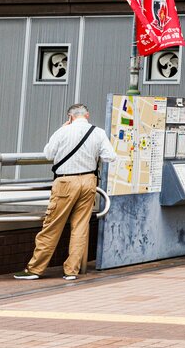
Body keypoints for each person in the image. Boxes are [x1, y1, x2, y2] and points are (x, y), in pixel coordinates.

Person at [14, 104, 116, 281]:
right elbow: (110, 157)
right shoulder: (98, 132)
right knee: (80, 226)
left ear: (70, 117)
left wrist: (62, 130)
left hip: (66, 182)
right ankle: (71, 271)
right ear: (87, 115)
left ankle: (35, 269)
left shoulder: (62, 132)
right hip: (89, 181)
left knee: (53, 225)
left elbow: (48, 154)